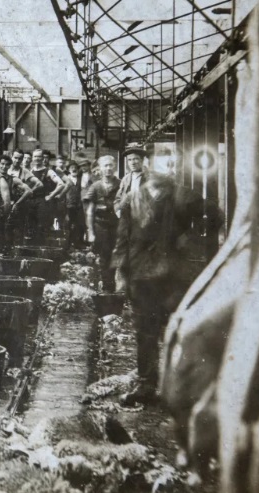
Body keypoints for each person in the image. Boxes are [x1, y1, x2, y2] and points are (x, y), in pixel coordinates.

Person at [111, 146, 221, 406]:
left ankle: (179, 385)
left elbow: (215, 214)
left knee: (175, 329)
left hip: (172, 278)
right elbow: (122, 239)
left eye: (167, 167)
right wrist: (120, 272)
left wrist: (190, 239)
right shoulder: (132, 200)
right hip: (141, 276)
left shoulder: (182, 196)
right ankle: (147, 385)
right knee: (145, 332)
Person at [83, 155, 120, 291]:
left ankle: (113, 284)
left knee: (116, 255)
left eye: (111, 165)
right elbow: (90, 212)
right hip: (101, 226)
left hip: (116, 226)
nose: (108, 168)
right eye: (105, 166)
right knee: (103, 257)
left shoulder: (121, 184)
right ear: (100, 168)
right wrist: (90, 232)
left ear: (114, 167)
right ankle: (104, 286)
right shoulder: (95, 186)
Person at [28, 148, 66, 242]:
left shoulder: (48, 171)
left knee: (42, 227)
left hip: (42, 202)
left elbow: (61, 184)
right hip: (31, 202)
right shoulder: (30, 171)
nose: (37, 159)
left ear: (43, 158)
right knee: (31, 227)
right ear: (32, 158)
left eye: (39, 156)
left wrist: (51, 196)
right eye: (35, 156)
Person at [0, 154, 34, 246]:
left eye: (7, 165)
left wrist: (17, 203)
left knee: (9, 235)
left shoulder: (13, 179)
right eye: (2, 164)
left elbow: (29, 191)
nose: (4, 167)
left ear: (9, 166)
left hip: (8, 211)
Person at [63, 160, 85, 249]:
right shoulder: (66, 180)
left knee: (79, 224)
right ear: (68, 170)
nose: (74, 169)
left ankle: (78, 243)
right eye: (71, 168)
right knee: (68, 225)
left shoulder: (81, 180)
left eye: (75, 168)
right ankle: (67, 244)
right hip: (68, 206)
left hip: (79, 206)